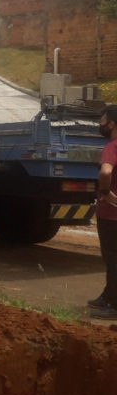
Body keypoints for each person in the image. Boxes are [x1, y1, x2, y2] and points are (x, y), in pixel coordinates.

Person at [90, 106, 117, 320]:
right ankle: (107, 295)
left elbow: (106, 171)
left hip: (111, 215)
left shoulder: (112, 147)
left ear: (112, 125)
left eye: (102, 120)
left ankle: (114, 305)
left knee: (112, 259)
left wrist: (106, 191)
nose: (100, 125)